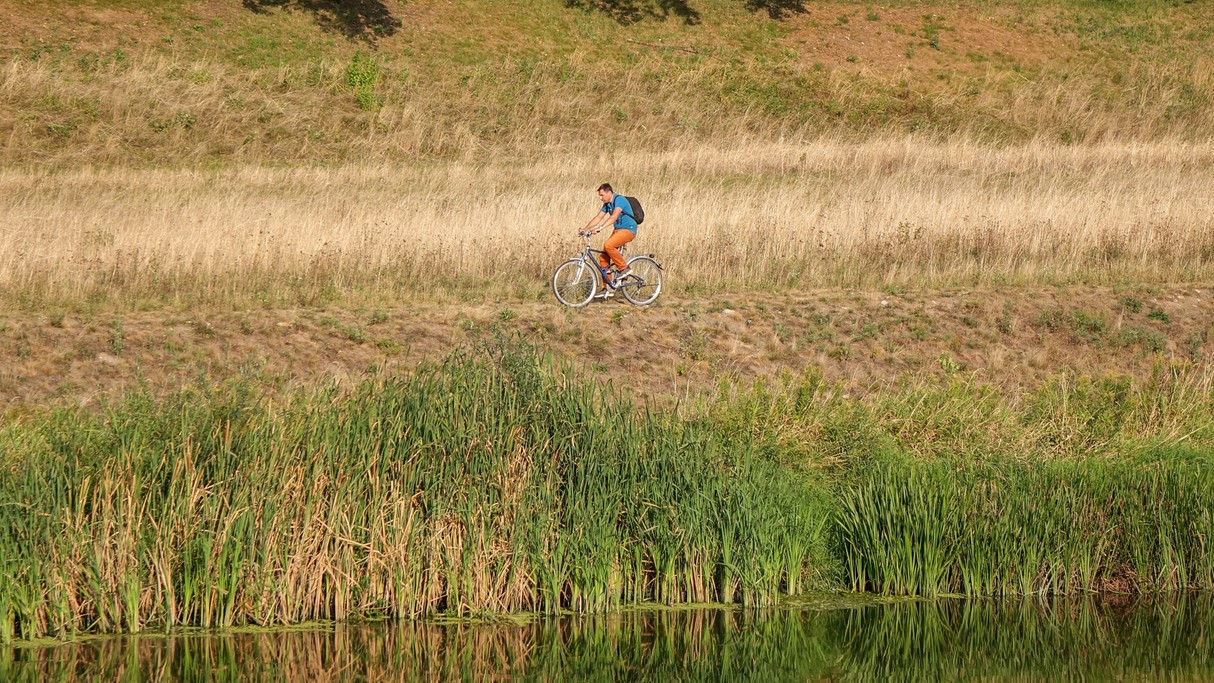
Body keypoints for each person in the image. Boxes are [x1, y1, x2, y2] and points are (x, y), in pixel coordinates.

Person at [579, 183, 638, 293]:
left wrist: (600, 228)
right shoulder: (607, 205)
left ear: (609, 193)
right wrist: (585, 229)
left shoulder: (619, 200)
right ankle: (608, 286)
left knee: (608, 245)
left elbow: (614, 216)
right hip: (618, 231)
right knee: (603, 257)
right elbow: (598, 217)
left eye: (602, 195)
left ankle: (624, 269)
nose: (601, 198)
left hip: (628, 229)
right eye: (599, 196)